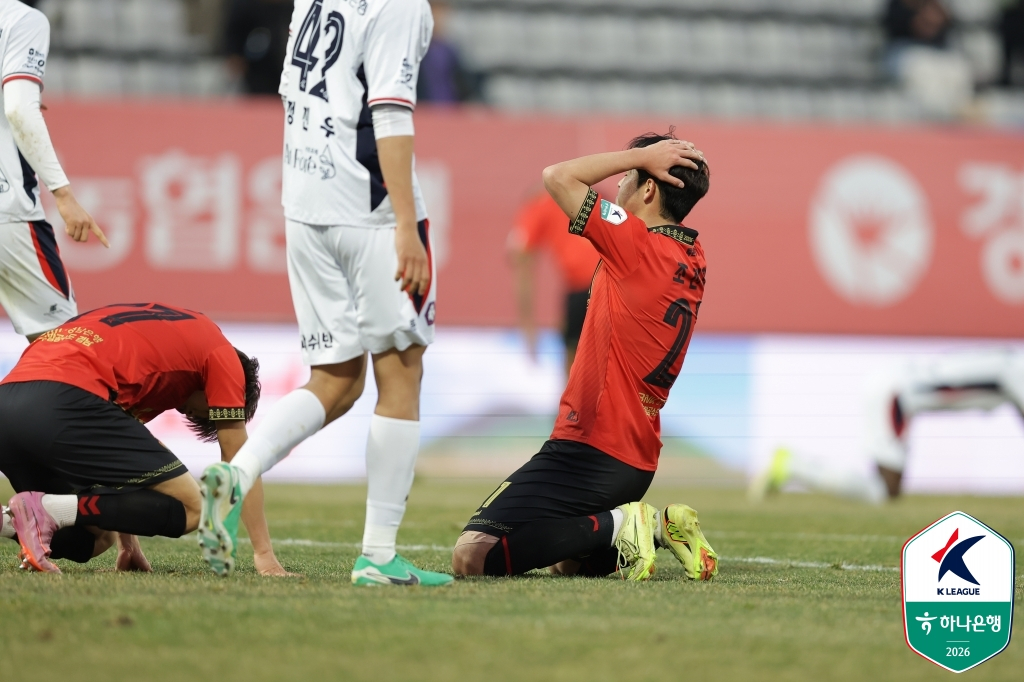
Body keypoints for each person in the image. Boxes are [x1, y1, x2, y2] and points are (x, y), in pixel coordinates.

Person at [198, 0, 452, 587]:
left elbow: (292, 92)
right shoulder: (400, 7)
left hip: (304, 202)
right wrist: (408, 226)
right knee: (402, 371)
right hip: (368, 209)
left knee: (336, 380)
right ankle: (379, 556)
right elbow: (389, 113)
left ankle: (239, 476)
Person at [450, 132, 718, 582]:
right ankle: (658, 530)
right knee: (566, 560)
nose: (617, 186)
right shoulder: (693, 254)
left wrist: (641, 156)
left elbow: (557, 177)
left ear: (650, 188)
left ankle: (637, 523)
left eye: (629, 177)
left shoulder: (635, 245)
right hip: (637, 461)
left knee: (472, 557)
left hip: (589, 450)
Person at [0, 302, 289, 576]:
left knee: (96, 537)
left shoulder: (158, 345)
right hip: (65, 397)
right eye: (210, 413)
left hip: (8, 405)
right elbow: (239, 461)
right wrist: (264, 554)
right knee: (195, 507)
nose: (195, 415)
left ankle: (8, 522)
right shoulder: (220, 353)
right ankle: (45, 510)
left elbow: (122, 474)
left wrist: (128, 545)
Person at [750, 350, 1024, 503]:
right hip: (896, 395)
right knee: (884, 492)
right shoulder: (1016, 370)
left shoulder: (1011, 364)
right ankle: (792, 465)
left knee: (884, 490)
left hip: (897, 388)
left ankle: (791, 465)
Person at [0, 0, 107, 341]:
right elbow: (18, 108)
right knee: (63, 346)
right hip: (8, 209)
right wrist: (63, 194)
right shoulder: (20, 18)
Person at [509, 190, 600, 378]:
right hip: (613, 281)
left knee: (574, 353)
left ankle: (574, 404)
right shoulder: (592, 196)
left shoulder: (539, 205)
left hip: (586, 286)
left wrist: (528, 332)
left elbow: (521, 261)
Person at [223, 0, 295, 96]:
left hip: (288, 72)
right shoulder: (245, 7)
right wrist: (234, 57)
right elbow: (233, 36)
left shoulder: (294, 8)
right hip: (256, 74)